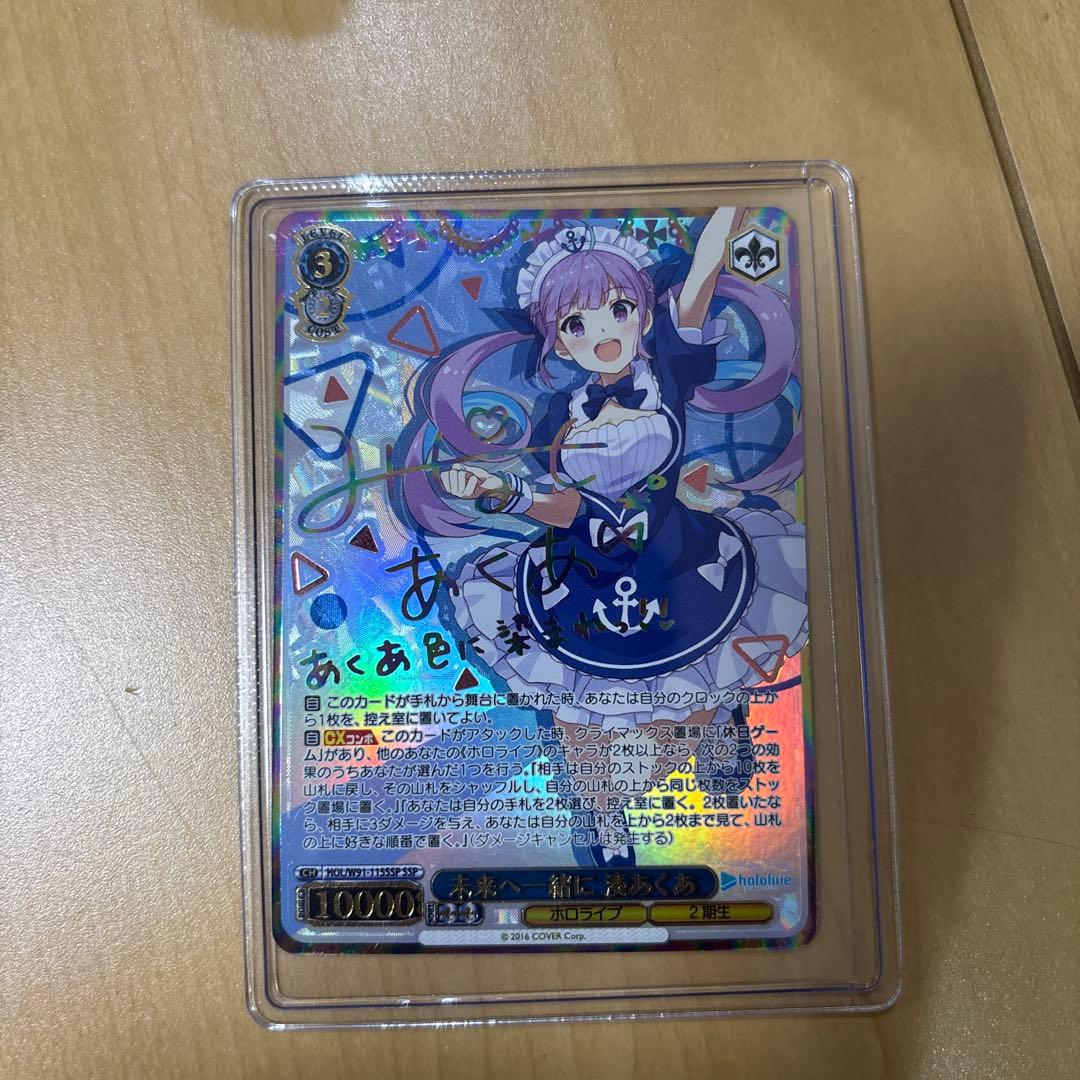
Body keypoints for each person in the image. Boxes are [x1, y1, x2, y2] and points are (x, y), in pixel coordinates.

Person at [401, 211, 807, 866]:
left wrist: (730, 216)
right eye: (576, 323)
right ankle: (604, 820)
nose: (603, 333)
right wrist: (497, 491)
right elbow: (569, 506)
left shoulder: (665, 372)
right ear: (560, 343)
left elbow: (700, 279)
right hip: (584, 571)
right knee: (574, 709)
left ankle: (721, 711)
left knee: (693, 675)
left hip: (676, 562)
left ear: (642, 315)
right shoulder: (565, 416)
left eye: (618, 309)